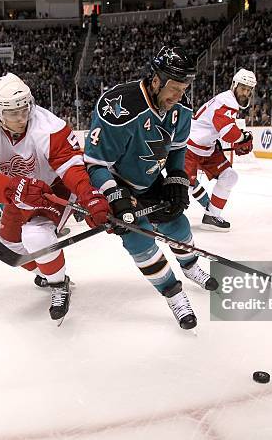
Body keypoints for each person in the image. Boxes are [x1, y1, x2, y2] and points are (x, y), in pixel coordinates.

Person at [83, 46, 218, 331]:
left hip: (151, 179)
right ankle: (174, 294)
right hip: (118, 182)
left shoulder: (181, 108)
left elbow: (177, 150)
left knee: (178, 225)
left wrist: (178, 178)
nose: (179, 96)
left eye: (184, 88)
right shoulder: (118, 107)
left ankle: (190, 265)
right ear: (156, 80)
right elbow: (94, 165)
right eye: (175, 88)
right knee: (139, 242)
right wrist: (115, 196)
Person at [0, 73, 109, 322]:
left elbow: (71, 167)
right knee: (8, 244)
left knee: (36, 236)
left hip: (53, 187)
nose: (21, 118)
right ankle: (47, 267)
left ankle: (58, 284)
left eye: (24, 109)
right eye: (12, 113)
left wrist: (89, 196)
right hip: (18, 190)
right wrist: (15, 189)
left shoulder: (50, 126)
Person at [185, 68, 256, 231]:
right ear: (234, 85)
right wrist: (243, 138)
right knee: (184, 186)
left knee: (229, 176)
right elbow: (228, 133)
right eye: (242, 88)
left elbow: (223, 131)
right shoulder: (227, 101)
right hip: (190, 147)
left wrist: (239, 137)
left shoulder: (229, 101)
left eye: (248, 90)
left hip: (206, 148)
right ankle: (163, 218)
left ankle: (212, 215)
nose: (245, 92)